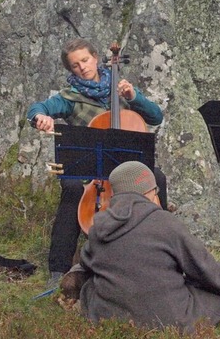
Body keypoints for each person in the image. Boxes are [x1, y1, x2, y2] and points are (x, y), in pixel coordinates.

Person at [27, 38, 166, 286]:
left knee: (158, 179)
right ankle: (58, 269)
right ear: (71, 70)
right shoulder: (71, 97)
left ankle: (163, 252)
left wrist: (134, 97)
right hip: (88, 169)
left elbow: (156, 116)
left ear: (95, 58)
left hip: (124, 166)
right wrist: (39, 116)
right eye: (75, 65)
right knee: (71, 189)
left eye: (85, 60)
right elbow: (40, 108)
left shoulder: (120, 88)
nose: (82, 67)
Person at [66, 161, 220, 332]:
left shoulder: (99, 225)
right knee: (213, 290)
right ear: (151, 193)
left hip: (108, 317)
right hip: (167, 321)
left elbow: (87, 261)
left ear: (114, 194)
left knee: (93, 283)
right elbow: (204, 268)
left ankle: (91, 296)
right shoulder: (166, 222)